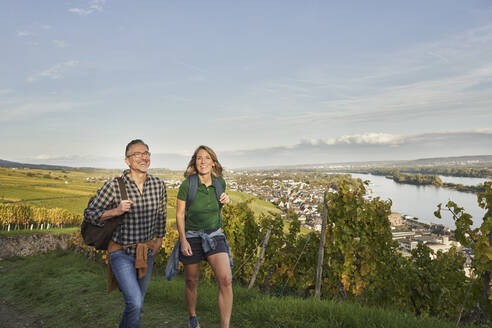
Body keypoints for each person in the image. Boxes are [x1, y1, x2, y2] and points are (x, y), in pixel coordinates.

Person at [84, 139, 167, 328]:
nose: (143, 157)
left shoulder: (158, 185)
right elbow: (89, 214)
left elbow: (162, 215)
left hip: (146, 253)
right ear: (127, 160)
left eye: (146, 153)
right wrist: (116, 211)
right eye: (137, 154)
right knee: (135, 302)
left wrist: (158, 242)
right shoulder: (114, 185)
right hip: (120, 253)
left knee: (135, 305)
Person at [175, 145, 232, 328]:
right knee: (191, 280)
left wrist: (226, 199)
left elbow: (217, 206)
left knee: (225, 280)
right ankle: (192, 317)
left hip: (214, 235)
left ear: (213, 162)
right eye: (199, 158)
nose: (203, 161)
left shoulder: (219, 183)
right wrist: (183, 240)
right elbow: (179, 214)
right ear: (195, 162)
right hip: (191, 236)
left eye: (207, 158)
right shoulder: (187, 185)